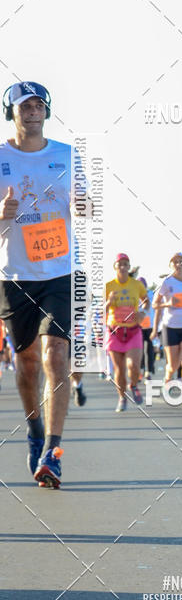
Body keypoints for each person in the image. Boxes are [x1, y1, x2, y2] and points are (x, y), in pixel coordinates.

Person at [0, 81, 83, 487]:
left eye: (38, 105)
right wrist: (2, 213)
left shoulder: (67, 155)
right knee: (27, 362)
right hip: (15, 275)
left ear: (46, 111)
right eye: (24, 106)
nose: (32, 111)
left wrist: (84, 207)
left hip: (61, 271)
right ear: (11, 113)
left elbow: (87, 208)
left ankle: (53, 449)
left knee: (55, 354)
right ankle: (34, 429)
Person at [152, 254, 182, 408]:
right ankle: (168, 378)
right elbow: (154, 305)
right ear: (170, 265)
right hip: (170, 326)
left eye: (181, 261)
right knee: (173, 365)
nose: (178, 264)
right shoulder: (166, 282)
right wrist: (168, 304)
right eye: (175, 262)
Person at [105, 253, 148, 411]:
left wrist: (143, 312)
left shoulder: (136, 285)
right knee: (119, 369)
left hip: (133, 331)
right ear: (115, 267)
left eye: (125, 264)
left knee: (133, 365)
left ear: (129, 267)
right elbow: (100, 309)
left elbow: (146, 301)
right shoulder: (109, 286)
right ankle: (122, 398)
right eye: (120, 264)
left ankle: (134, 385)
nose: (122, 267)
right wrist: (109, 302)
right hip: (115, 332)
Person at [138, 277, 155, 380]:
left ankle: (148, 371)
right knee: (138, 350)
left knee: (149, 349)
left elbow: (154, 308)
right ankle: (140, 370)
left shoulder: (151, 294)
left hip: (149, 326)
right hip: (138, 325)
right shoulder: (135, 294)